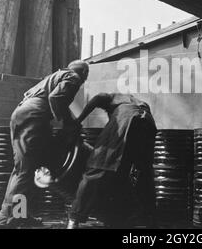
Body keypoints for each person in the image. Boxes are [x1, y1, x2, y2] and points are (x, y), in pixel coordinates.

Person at [0, 60, 89, 229]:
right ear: (83, 74)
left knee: (30, 169)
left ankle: (21, 215)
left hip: (27, 117)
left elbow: (55, 100)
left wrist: (70, 121)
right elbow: (56, 98)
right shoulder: (73, 77)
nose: (83, 83)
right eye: (85, 78)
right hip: (33, 118)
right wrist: (68, 123)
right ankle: (5, 222)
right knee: (24, 170)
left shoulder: (55, 76)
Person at [67, 93, 157, 229]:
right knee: (142, 174)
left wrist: (78, 121)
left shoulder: (113, 97)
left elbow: (96, 99)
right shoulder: (136, 102)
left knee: (96, 168)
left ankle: (74, 219)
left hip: (127, 119)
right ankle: (150, 220)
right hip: (148, 123)